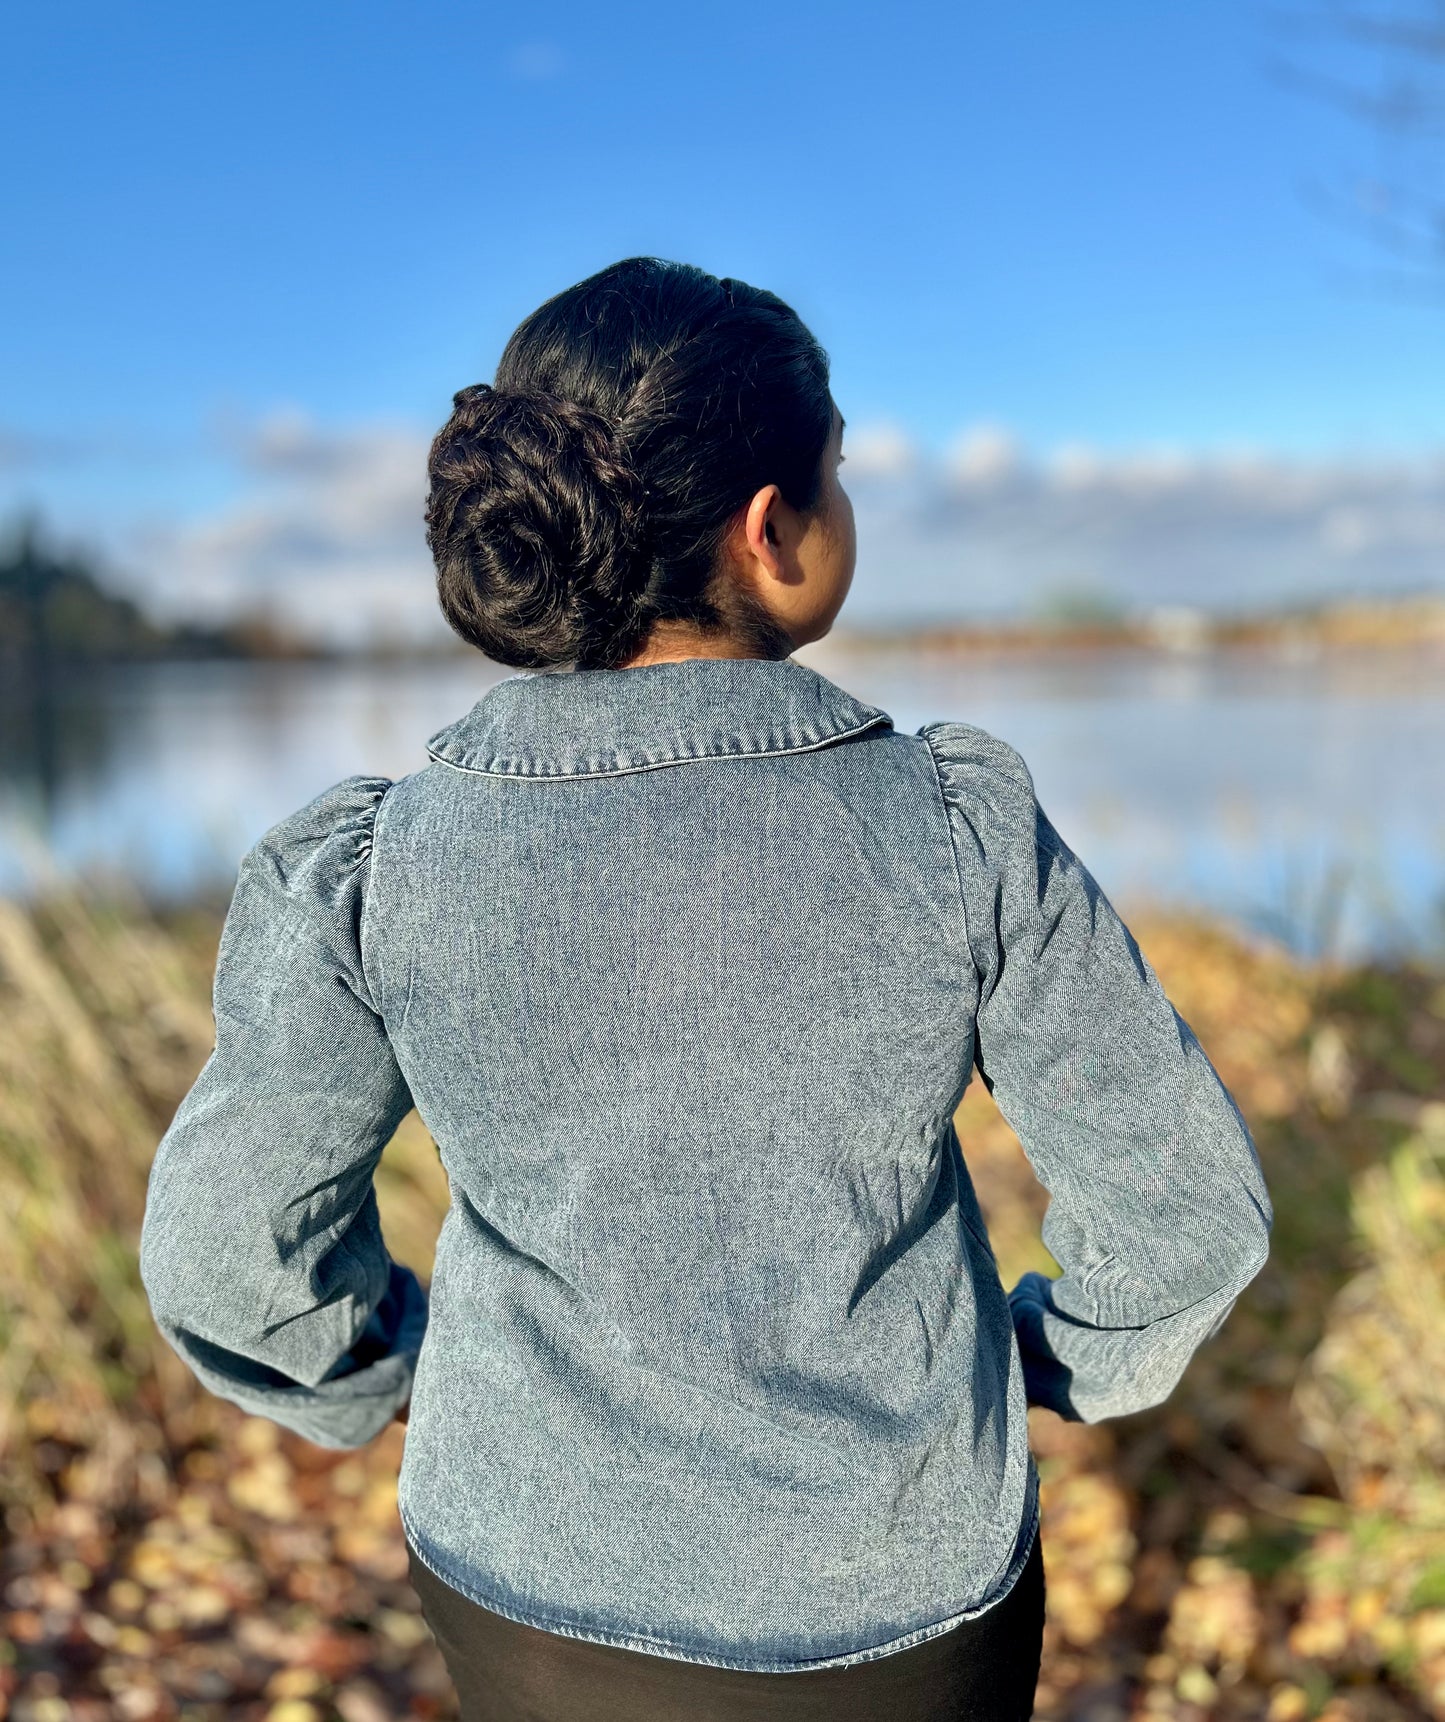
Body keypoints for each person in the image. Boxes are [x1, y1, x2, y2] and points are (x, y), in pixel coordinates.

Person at [139, 257, 1273, 1721]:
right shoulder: (951, 822)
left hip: (527, 1586)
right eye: (837, 474)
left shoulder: (369, 862)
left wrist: (404, 1365)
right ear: (767, 529)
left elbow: (231, 1263)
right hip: (900, 1597)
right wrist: (1043, 1359)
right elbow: (1183, 1220)